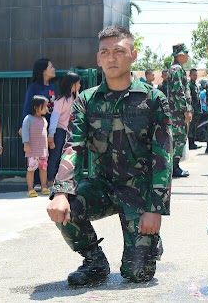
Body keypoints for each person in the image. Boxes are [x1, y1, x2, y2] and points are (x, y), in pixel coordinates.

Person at [46, 26, 172, 286]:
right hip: (101, 186)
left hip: (139, 191)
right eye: (105, 52)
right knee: (68, 207)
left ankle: (149, 243)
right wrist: (61, 192)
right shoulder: (86, 101)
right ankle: (94, 261)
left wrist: (155, 209)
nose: (111, 58)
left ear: (133, 55)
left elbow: (163, 158)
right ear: (98, 59)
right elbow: (73, 146)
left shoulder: (153, 99)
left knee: (137, 273)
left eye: (119, 51)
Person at [21, 58, 57, 190]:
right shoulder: (34, 87)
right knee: (33, 153)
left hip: (49, 125)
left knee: (46, 155)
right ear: (43, 71)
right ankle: (35, 182)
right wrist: (22, 126)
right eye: (51, 67)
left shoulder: (53, 87)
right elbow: (27, 107)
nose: (54, 69)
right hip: (35, 126)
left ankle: (47, 181)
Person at [47, 72, 81, 188]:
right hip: (60, 131)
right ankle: (50, 181)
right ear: (72, 85)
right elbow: (54, 118)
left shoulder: (76, 96)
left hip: (71, 131)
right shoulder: (60, 101)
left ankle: (65, 181)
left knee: (68, 157)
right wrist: (51, 135)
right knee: (55, 156)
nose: (80, 85)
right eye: (78, 83)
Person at [167, 43, 193, 178]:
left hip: (177, 111)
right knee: (179, 139)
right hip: (177, 112)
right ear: (180, 54)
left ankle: (173, 166)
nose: (188, 56)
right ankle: (173, 167)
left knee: (179, 139)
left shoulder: (177, 68)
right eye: (186, 53)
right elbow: (179, 91)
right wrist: (185, 110)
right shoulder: (176, 69)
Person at [22, 95, 52, 198]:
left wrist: (50, 143)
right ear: (36, 107)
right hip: (32, 150)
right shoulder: (28, 118)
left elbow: (45, 133)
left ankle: (44, 187)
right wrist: (26, 144)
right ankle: (30, 189)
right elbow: (25, 131)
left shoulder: (44, 119)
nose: (46, 108)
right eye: (44, 106)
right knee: (31, 169)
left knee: (43, 169)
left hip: (43, 151)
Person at [188, 68, 203, 150]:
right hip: (193, 109)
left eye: (196, 75)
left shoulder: (196, 85)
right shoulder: (189, 85)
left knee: (194, 127)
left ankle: (193, 142)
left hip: (197, 109)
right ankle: (191, 143)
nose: (195, 76)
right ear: (190, 75)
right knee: (191, 127)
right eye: (193, 75)